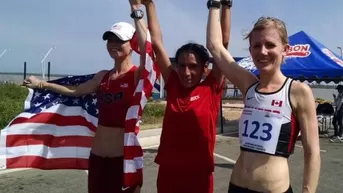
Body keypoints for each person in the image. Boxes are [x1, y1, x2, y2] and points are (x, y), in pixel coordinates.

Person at [22, 1, 148, 192]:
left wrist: (137, 11)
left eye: (119, 41)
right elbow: (76, 91)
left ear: (132, 45)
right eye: (110, 40)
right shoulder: (102, 76)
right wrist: (41, 84)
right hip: (97, 158)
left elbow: (149, 51)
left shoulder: (137, 75)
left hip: (124, 160)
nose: (113, 45)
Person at [206, 1, 321, 192]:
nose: (263, 51)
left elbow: (312, 152)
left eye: (270, 45)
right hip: (237, 186)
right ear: (250, 50)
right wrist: (214, 5)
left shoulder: (298, 91)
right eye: (256, 45)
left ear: (285, 50)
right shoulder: (248, 84)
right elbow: (215, 46)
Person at [136, 0, 231, 192]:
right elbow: (156, 43)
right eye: (181, 65)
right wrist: (149, 5)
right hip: (169, 173)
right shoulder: (172, 84)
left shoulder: (211, 88)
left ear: (206, 68)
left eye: (193, 66)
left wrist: (226, 7)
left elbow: (222, 44)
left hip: (199, 175)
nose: (186, 72)